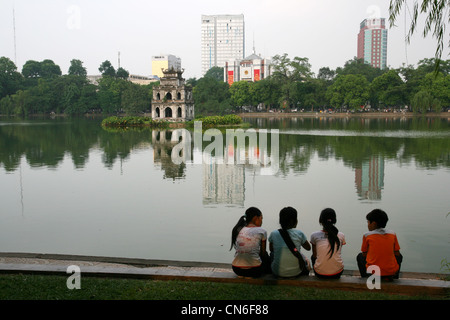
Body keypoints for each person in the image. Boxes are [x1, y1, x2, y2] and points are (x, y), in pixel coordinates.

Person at [356, 209, 403, 280]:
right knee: (399, 256)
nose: (368, 225)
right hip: (390, 272)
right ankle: (394, 276)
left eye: (368, 222)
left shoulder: (367, 235)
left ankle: (365, 277)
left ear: (374, 223)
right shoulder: (392, 234)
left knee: (360, 256)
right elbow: (397, 253)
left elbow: (364, 254)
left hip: (373, 272)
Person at [269, 207, 311, 278]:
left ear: (280, 221)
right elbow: (308, 248)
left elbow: (271, 249)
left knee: (273, 254)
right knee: (301, 254)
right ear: (294, 221)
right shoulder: (299, 233)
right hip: (296, 272)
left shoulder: (273, 233)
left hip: (277, 272)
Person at [230, 207, 270, 278]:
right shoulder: (262, 231)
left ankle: (243, 274)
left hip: (236, 269)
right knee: (266, 255)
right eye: (261, 218)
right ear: (255, 218)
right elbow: (263, 253)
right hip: (255, 269)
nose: (262, 221)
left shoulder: (238, 229)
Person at [310, 208, 346, 279]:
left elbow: (315, 255)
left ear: (320, 220)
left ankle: (318, 271)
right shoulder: (341, 235)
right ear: (334, 220)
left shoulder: (314, 235)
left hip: (320, 274)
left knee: (313, 257)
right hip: (337, 273)